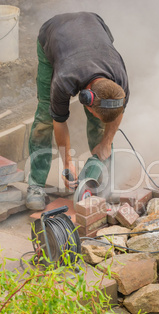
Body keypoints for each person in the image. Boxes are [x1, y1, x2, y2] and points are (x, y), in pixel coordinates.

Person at [26, 12, 129, 210]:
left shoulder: (120, 81)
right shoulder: (64, 79)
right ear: (85, 99)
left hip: (95, 26)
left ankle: (102, 180)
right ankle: (36, 185)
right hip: (53, 36)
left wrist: (106, 143)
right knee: (45, 118)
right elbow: (59, 120)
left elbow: (119, 110)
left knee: (102, 126)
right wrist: (67, 163)